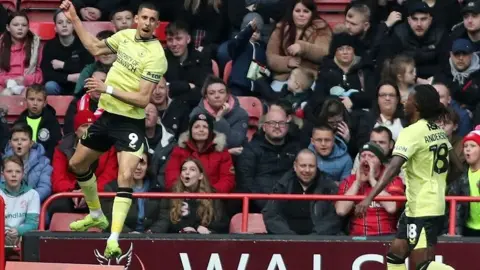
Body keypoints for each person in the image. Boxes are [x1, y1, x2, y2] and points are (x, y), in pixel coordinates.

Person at [59, 0, 167, 258]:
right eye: (144, 18)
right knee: (77, 165)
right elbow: (95, 46)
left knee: (125, 176)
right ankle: (96, 215)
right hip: (107, 116)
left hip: (130, 122)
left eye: (153, 20)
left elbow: (143, 99)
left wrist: (105, 87)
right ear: (137, 20)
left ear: (157, 25)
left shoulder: (157, 56)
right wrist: (74, 18)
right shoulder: (125, 36)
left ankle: (114, 238)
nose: (148, 23)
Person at [355, 84, 455, 270]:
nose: (404, 102)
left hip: (423, 207)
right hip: (422, 204)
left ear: (416, 104)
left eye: (408, 99)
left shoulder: (411, 132)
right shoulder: (438, 132)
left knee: (422, 265)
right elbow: (455, 165)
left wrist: (369, 197)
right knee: (395, 255)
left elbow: (394, 167)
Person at [50, 110, 117, 216]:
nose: (89, 130)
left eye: (92, 126)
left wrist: (89, 192)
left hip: (97, 194)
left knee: (107, 208)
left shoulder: (108, 148)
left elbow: (109, 176)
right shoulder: (62, 148)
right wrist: (72, 192)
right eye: (85, 126)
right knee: (58, 206)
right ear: (76, 131)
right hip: (70, 193)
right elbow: (58, 178)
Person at [262, 149, 342, 235]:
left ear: (317, 166)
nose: (307, 170)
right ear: (295, 166)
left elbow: (333, 219)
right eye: (303, 166)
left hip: (319, 241)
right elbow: (271, 215)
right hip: (287, 241)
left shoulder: (328, 186)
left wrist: (314, 237)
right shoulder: (283, 184)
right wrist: (290, 237)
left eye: (311, 166)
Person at [337, 142, 404, 236]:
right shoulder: (349, 181)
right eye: (363, 156)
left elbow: (391, 208)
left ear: (380, 161)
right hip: (357, 238)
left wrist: (372, 180)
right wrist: (357, 183)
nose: (366, 159)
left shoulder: (393, 180)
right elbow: (341, 211)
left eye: (371, 156)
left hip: (386, 236)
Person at [151, 159, 229, 234]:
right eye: (184, 169)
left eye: (192, 169)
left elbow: (221, 225)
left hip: (204, 241)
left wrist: (202, 229)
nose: (187, 172)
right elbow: (164, 220)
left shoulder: (212, 196)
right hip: (178, 240)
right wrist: (153, 231)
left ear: (200, 176)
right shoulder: (171, 195)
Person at [41, 9, 94, 95]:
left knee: (88, 82)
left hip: (80, 85)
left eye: (68, 22)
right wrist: (69, 77)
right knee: (49, 86)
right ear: (55, 28)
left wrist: (63, 65)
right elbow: (47, 73)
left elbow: (88, 68)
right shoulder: (50, 45)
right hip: (59, 85)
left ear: (73, 26)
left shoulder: (83, 43)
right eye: (60, 22)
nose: (64, 25)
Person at [2, 123, 52, 203]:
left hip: (33, 205)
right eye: (15, 140)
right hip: (7, 205)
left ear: (31, 143)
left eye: (24, 140)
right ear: (10, 143)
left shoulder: (43, 162)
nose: (19, 143)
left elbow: (45, 187)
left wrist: (27, 200)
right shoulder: (3, 161)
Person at [14, 84, 62, 160]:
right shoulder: (20, 122)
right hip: (22, 162)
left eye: (39, 100)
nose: (35, 103)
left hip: (44, 163)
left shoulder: (51, 121)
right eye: (31, 99)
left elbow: (54, 146)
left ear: (45, 103)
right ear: (26, 100)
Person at [0, 11, 43, 95]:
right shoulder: (1, 45)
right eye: (16, 25)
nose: (20, 28)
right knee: (6, 94)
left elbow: (39, 74)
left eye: (24, 25)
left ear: (28, 28)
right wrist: (6, 81)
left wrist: (25, 80)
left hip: (26, 86)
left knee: (30, 94)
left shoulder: (36, 45)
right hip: (3, 84)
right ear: (8, 27)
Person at [1, 156, 40, 247]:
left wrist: (18, 231)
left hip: (22, 237)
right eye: (9, 171)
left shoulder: (33, 194)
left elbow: (32, 224)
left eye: (18, 171)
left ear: (23, 174)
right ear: (2, 174)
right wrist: (4, 233)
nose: (14, 175)